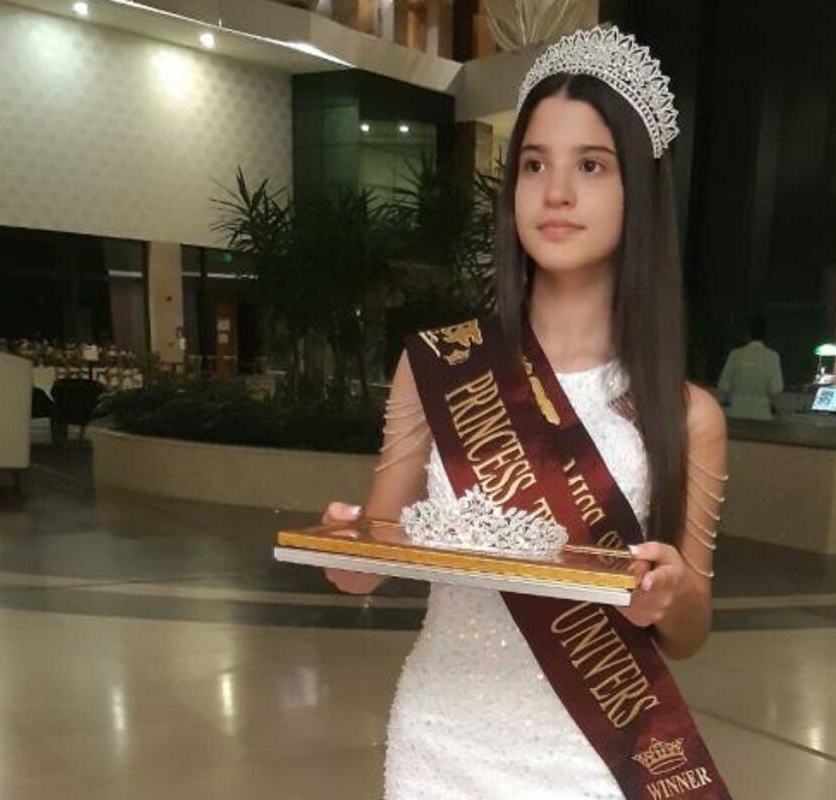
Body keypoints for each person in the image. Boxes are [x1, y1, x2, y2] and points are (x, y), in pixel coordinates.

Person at [321, 26, 731, 799]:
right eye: (535, 164)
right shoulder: (439, 365)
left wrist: (670, 596)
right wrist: (347, 554)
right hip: (440, 742)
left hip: (592, 755)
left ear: (639, 192)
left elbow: (690, 631)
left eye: (591, 165)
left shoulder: (687, 415)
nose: (556, 192)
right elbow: (370, 554)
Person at [717, 315, 784, 420]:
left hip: (736, 414)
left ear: (747, 333)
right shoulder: (772, 356)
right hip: (762, 416)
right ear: (764, 334)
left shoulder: (735, 354)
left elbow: (723, 385)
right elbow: (776, 388)